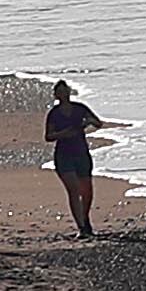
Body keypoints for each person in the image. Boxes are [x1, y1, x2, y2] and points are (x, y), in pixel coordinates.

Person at [44, 80, 106, 239]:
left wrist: (88, 123)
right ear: (56, 95)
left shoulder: (80, 109)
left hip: (81, 152)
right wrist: (64, 133)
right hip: (64, 155)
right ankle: (81, 228)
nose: (63, 94)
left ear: (69, 92)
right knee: (73, 190)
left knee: (87, 191)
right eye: (60, 92)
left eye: (65, 91)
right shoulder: (54, 113)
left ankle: (85, 219)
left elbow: (98, 123)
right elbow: (49, 136)